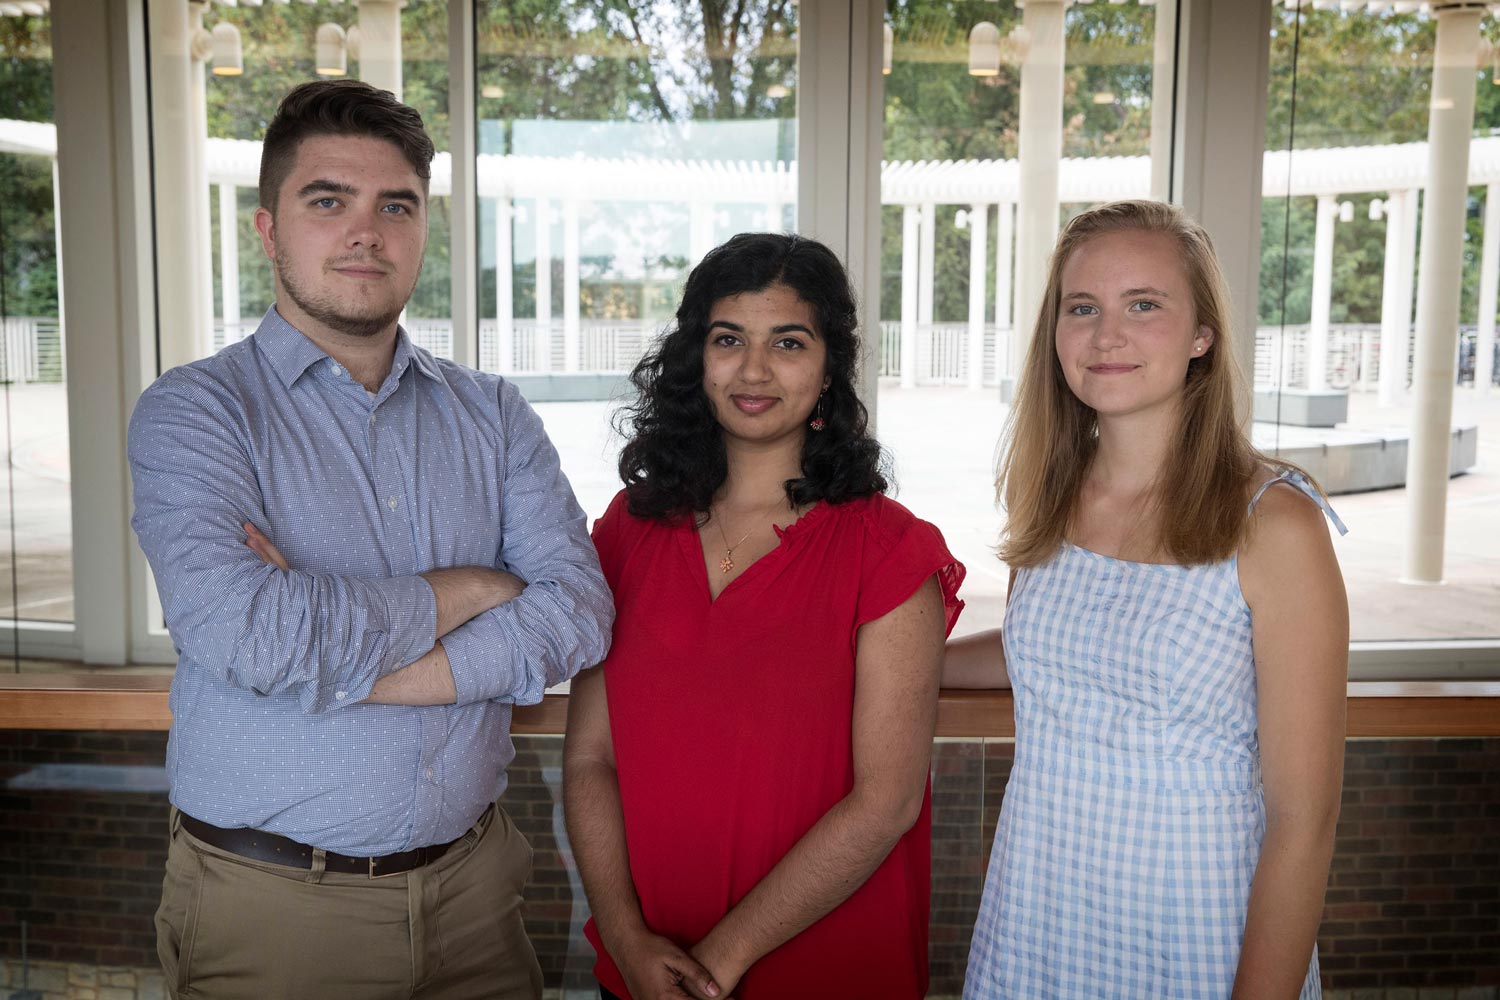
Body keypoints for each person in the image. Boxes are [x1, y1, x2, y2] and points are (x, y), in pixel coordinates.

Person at [127, 79, 613, 1000]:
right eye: (327, 201)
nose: (366, 231)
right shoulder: (195, 412)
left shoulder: (494, 414)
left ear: (422, 228)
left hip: (478, 898)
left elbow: (579, 611)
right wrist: (480, 586)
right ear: (268, 229)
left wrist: (342, 665)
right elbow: (250, 635)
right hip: (273, 911)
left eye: (396, 205)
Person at [951, 200, 1348, 999]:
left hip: (1195, 928)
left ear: (1202, 334)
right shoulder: (1056, 494)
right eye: (1082, 308)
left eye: (1143, 305)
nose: (1106, 335)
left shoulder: (1275, 523)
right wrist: (878, 655)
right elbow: (1048, 651)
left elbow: (1304, 826)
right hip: (1040, 914)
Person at [562, 232, 965, 1000]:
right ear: (696, 358)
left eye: (788, 342)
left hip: (826, 972)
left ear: (829, 365)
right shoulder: (626, 531)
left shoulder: (889, 551)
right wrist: (624, 938)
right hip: (643, 971)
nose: (754, 370)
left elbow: (886, 804)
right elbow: (590, 760)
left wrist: (712, 969)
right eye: (728, 340)